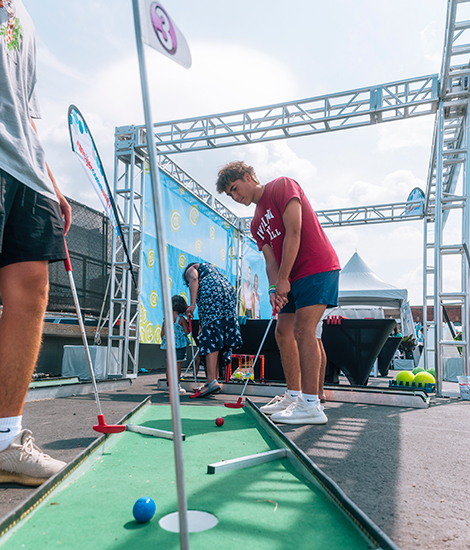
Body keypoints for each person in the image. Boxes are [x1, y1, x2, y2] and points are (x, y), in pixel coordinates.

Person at [0, 0, 72, 486]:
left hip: (24, 166)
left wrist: (52, 182)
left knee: (31, 290)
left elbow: (24, 112)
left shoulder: (24, 17)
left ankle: (5, 440)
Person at [216, 161, 340, 425]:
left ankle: (311, 404)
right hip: (290, 276)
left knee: (303, 330)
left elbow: (294, 232)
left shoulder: (282, 186)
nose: (236, 197)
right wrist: (274, 288)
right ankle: (293, 396)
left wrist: (283, 279)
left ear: (248, 177)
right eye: (230, 195)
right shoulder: (255, 223)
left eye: (235, 189)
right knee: (282, 332)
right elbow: (270, 260)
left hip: (317, 267)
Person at [184, 261, 243, 397]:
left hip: (212, 292)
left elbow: (193, 278)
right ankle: (213, 380)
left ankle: (211, 381)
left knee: (211, 334)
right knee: (219, 332)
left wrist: (192, 305)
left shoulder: (192, 269)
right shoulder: (212, 269)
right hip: (228, 292)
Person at [160, 295, 190, 395]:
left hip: (169, 345)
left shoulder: (166, 319)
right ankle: (176, 385)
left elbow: (162, 334)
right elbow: (186, 331)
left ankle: (169, 386)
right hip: (179, 345)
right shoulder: (180, 319)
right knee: (177, 365)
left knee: (169, 365)